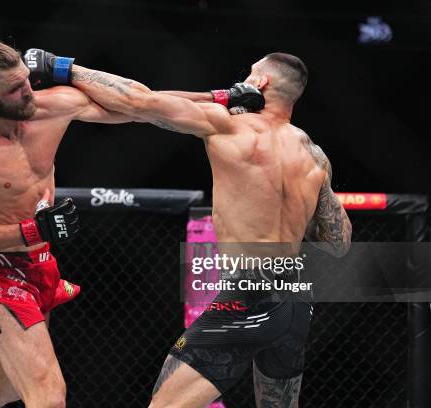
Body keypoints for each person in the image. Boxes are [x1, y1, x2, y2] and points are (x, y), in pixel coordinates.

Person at [0, 40, 264, 408]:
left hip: (40, 263)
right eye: (15, 89)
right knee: (48, 397)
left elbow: (140, 104)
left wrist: (217, 97)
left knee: (2, 388)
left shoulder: (47, 108)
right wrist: (31, 231)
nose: (28, 92)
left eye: (27, 81)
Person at [25, 49, 352, 407]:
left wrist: (63, 68)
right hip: (297, 299)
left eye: (249, 73)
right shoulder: (314, 155)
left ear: (260, 83)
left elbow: (138, 101)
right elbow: (338, 242)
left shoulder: (226, 124)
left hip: (249, 293)